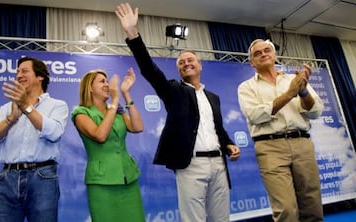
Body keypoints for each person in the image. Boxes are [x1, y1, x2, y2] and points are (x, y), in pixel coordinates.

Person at [115, 3, 241, 222]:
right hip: (190, 165)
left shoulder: (213, 98)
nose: (186, 63)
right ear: (179, 70)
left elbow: (217, 129)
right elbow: (149, 69)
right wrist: (132, 33)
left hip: (219, 165)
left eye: (190, 60)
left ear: (200, 65)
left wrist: (229, 143)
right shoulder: (173, 90)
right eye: (181, 62)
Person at [237, 39, 324, 222]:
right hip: (269, 147)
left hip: (302, 144)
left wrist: (303, 93)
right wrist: (290, 94)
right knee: (286, 209)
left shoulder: (295, 79)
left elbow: (315, 111)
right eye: (257, 53)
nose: (263, 54)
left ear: (274, 55)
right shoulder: (246, 87)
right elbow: (256, 115)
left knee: (312, 204)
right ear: (251, 62)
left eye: (267, 50)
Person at [0, 57, 69, 222]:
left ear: (40, 76)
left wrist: (26, 107)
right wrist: (10, 119)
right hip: (7, 178)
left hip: (42, 178)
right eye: (17, 72)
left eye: (24, 71)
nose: (19, 75)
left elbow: (55, 132)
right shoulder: (7, 108)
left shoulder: (58, 105)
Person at [71, 68, 145, 221]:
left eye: (107, 81)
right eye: (102, 81)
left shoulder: (115, 110)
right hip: (102, 183)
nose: (107, 84)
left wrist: (125, 93)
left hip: (128, 179)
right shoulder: (81, 113)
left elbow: (137, 127)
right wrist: (115, 100)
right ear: (89, 88)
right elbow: (100, 135)